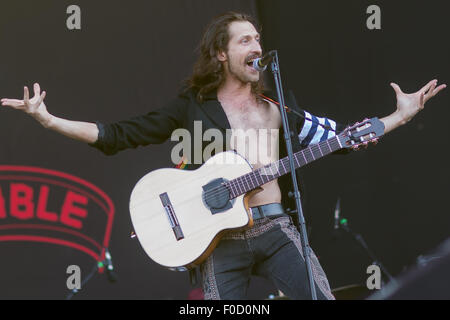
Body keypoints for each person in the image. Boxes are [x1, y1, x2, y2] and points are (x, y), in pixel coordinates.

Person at [1, 12, 446, 300]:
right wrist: (49, 120)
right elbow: (116, 135)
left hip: (276, 226)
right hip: (217, 241)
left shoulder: (279, 106)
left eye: (258, 38)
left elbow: (340, 137)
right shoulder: (192, 106)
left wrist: (398, 117)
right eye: (244, 40)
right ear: (221, 53)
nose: (256, 46)